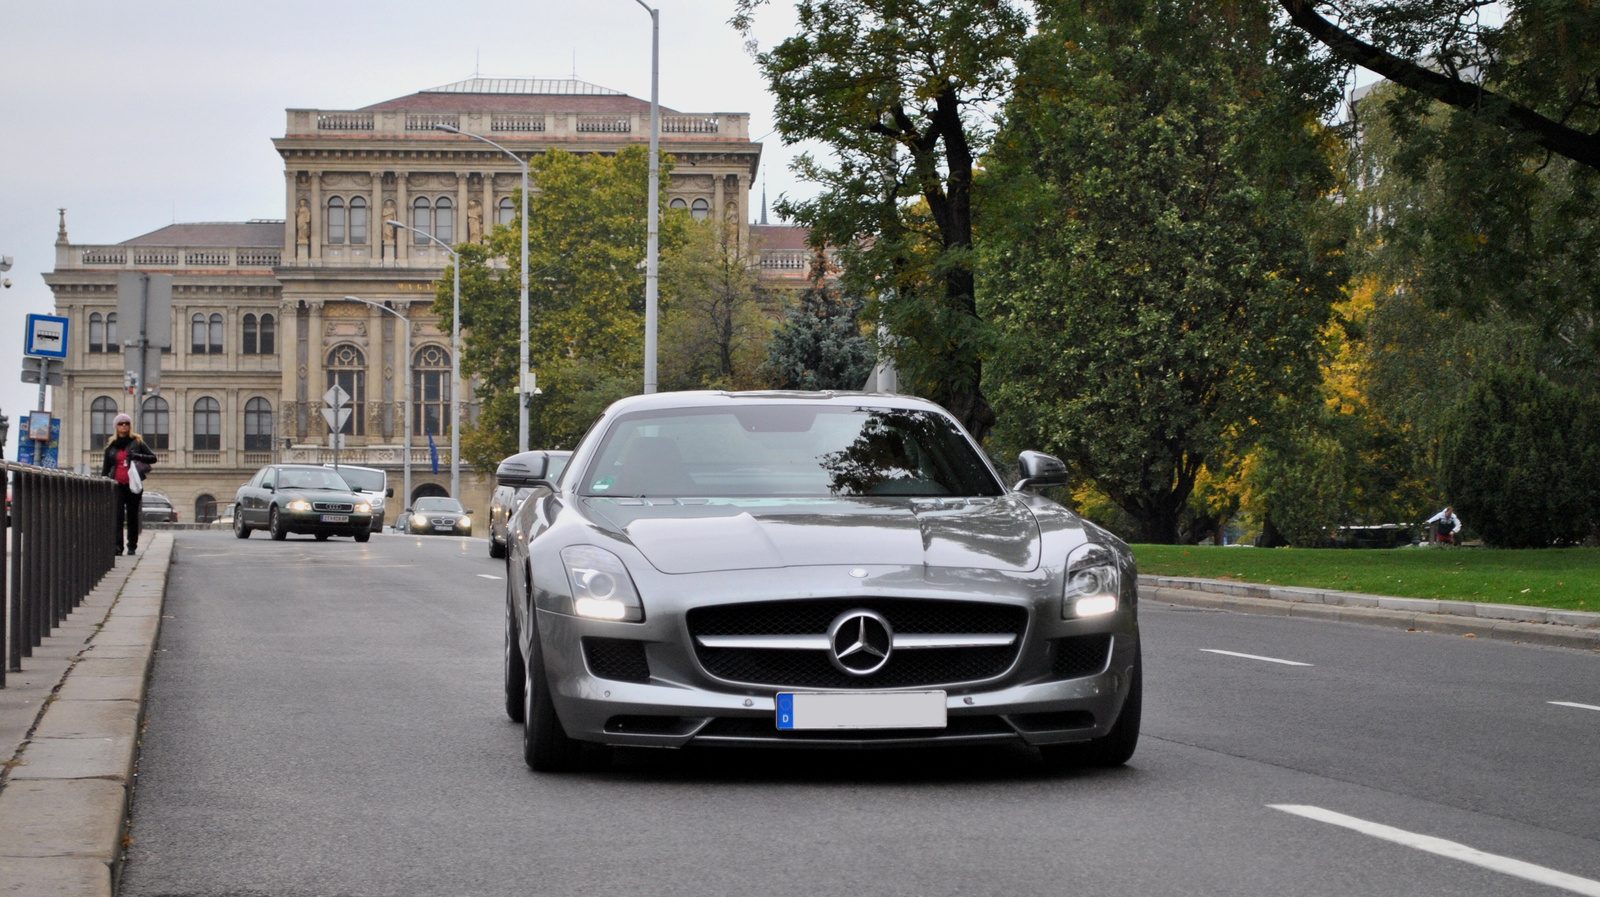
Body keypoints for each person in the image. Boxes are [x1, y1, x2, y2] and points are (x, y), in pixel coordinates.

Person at [101, 413, 158, 556]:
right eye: (121, 423)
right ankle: (118, 547)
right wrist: (103, 485)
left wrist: (137, 456)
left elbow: (153, 458)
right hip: (117, 485)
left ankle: (132, 546)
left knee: (133, 516)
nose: (124, 425)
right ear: (116, 427)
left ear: (130, 426)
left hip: (133, 484)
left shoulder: (137, 442)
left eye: (126, 423)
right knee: (118, 516)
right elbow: (105, 469)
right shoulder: (111, 447)